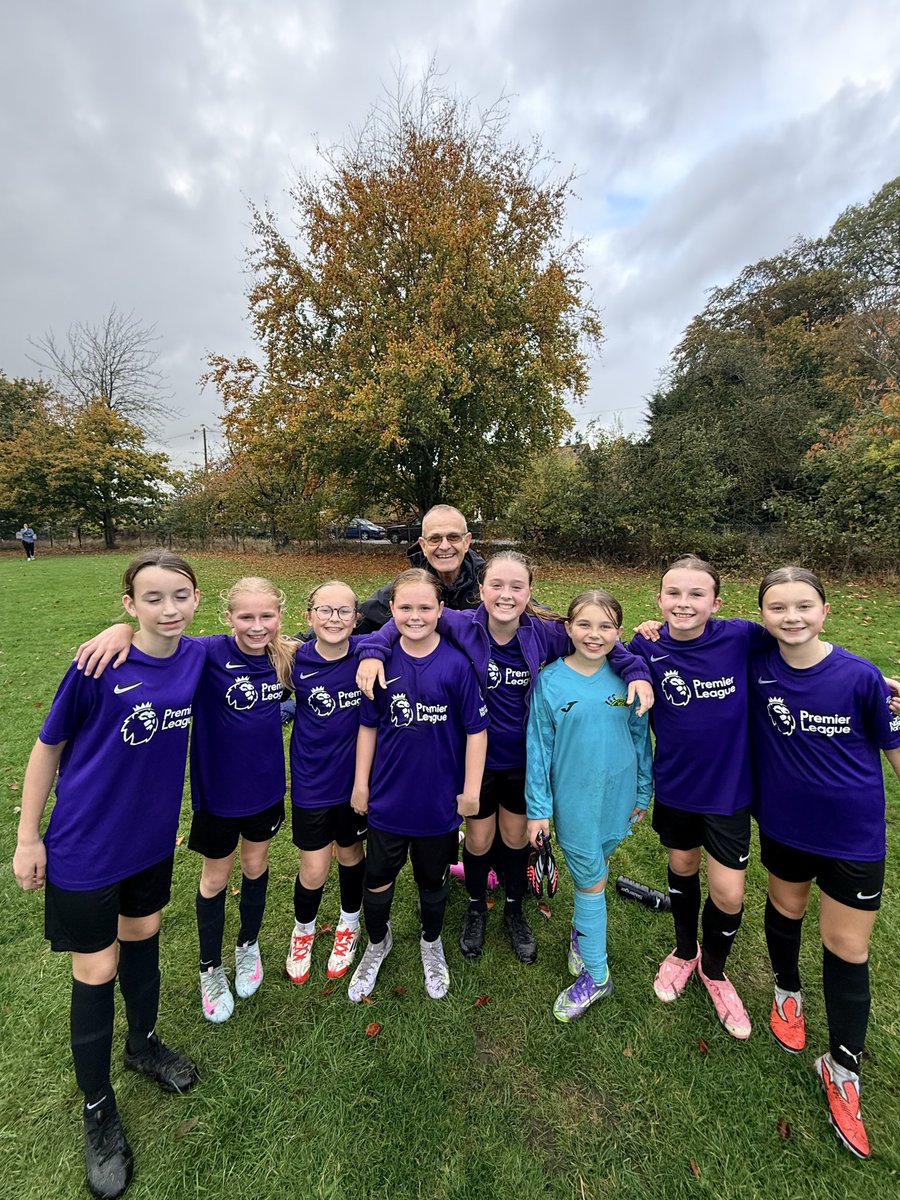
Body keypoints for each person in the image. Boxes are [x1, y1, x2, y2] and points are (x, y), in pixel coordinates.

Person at [12, 550, 206, 1200]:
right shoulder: (98, 664)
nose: (168, 608)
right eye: (152, 598)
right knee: (96, 970)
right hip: (86, 848)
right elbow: (47, 748)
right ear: (128, 603)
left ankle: (143, 1044)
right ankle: (97, 1106)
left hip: (148, 844)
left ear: (196, 598)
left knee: (144, 939)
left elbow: (263, 637)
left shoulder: (197, 654)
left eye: (179, 595)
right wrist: (27, 836)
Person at [357, 551, 653, 965]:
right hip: (474, 758)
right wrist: (372, 649)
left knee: (516, 838)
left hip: (524, 762)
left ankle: (514, 909)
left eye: (517, 586)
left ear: (530, 592)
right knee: (477, 839)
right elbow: (404, 619)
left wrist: (635, 669)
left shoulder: (545, 634)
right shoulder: (461, 622)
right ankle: (477, 907)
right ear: (481, 589)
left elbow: (600, 640)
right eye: (496, 585)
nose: (506, 594)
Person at [73, 577, 297, 1025]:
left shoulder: (288, 656)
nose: (257, 626)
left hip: (268, 790)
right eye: (246, 617)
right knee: (216, 878)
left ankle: (247, 946)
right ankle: (210, 968)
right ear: (227, 617)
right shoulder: (205, 652)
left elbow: (345, 641)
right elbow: (155, 640)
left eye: (266, 616)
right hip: (218, 796)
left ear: (279, 617)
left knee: (256, 867)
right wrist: (122, 629)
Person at [750, 566, 900, 1160]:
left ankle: (842, 1067)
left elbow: (893, 750)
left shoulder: (861, 677)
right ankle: (787, 991)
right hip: (786, 828)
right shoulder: (756, 663)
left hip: (855, 838)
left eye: (804, 605)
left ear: (825, 609)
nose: (791, 617)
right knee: (785, 908)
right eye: (778, 607)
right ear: (762, 615)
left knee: (848, 948)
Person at [627, 555, 764, 1040]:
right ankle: (685, 953)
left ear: (716, 602)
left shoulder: (742, 635)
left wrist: (874, 683)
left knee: (728, 892)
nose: (684, 603)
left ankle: (715, 970)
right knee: (682, 869)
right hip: (678, 786)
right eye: (674, 594)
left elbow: (802, 647)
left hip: (729, 791)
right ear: (660, 599)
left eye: (696, 594)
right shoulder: (646, 646)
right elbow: (611, 661)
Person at [348, 569, 489, 1002]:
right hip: (389, 799)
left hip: (437, 801)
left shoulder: (457, 665)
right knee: (378, 877)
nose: (415, 615)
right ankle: (377, 943)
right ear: (391, 611)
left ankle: (432, 942)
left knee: (433, 880)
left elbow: (476, 732)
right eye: (405, 607)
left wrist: (471, 790)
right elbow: (368, 728)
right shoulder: (379, 663)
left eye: (425, 607)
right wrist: (360, 784)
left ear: (440, 610)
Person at [525, 590, 653, 1021]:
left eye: (605, 627)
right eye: (584, 625)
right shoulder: (550, 681)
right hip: (575, 802)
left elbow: (640, 739)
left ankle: (581, 935)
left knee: (595, 868)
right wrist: (538, 809)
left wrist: (642, 790)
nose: (594, 635)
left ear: (619, 631)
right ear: (568, 629)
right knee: (591, 879)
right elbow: (539, 752)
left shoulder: (629, 680)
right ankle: (597, 976)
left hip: (616, 798)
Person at [286, 581, 367, 985]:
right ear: (309, 615)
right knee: (314, 867)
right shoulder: (292, 658)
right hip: (311, 781)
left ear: (356, 618)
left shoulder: (368, 656)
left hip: (355, 783)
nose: (334, 619)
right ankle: (303, 930)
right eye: (325, 610)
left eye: (344, 611)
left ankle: (349, 924)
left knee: (351, 853)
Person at [355, 504, 485, 633]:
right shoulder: (410, 585)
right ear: (423, 545)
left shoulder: (489, 585)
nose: (445, 546)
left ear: (466, 541)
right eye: (435, 539)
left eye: (453, 537)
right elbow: (362, 617)